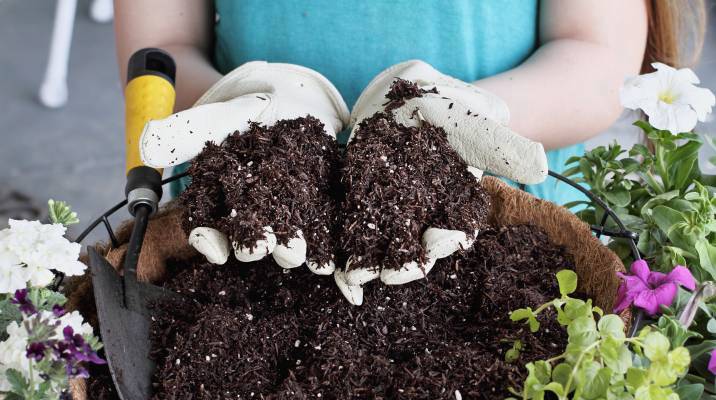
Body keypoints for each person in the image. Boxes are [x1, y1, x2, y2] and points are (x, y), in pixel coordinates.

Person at [113, 0, 706, 297]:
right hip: (252, 219)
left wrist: (461, 112)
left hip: (483, 211)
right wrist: (254, 108)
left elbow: (595, 52)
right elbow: (161, 41)